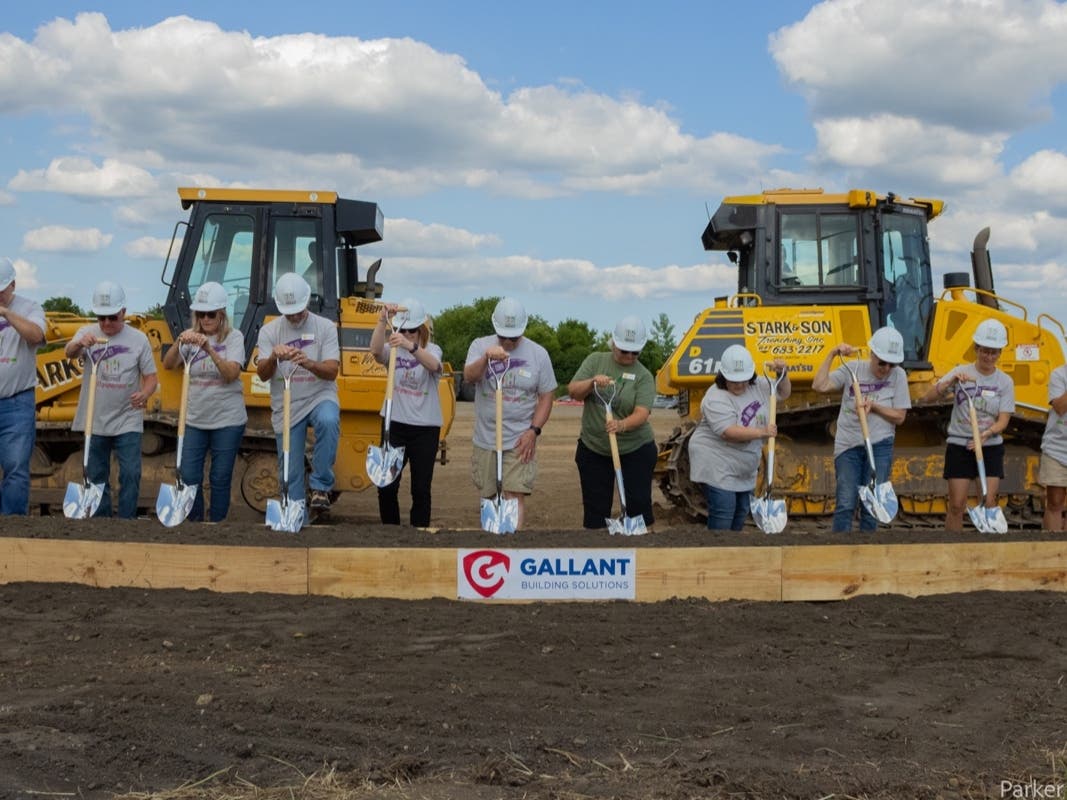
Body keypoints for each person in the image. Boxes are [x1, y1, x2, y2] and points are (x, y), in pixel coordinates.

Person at [65, 281, 158, 518]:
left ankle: (126, 521)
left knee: (130, 474)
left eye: (113, 317)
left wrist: (145, 393)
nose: (106, 323)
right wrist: (79, 343)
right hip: (94, 419)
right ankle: (102, 522)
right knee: (96, 475)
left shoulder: (138, 340)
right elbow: (69, 352)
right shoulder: (87, 333)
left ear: (123, 313)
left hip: (127, 418)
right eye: (101, 318)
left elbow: (151, 378)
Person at [463, 297, 556, 529]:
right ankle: (491, 544)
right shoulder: (479, 345)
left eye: (513, 337)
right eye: (503, 336)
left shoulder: (538, 354)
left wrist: (534, 431)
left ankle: (512, 544)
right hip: (486, 438)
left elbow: (546, 396)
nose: (508, 341)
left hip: (519, 439)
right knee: (488, 494)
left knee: (514, 494)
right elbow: (469, 377)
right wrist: (486, 358)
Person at [256, 272, 340, 522]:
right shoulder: (270, 331)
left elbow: (332, 371)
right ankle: (295, 518)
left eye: (299, 310)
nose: (294, 316)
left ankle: (320, 487)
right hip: (287, 403)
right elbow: (262, 374)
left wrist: (309, 363)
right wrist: (272, 357)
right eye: (289, 312)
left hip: (318, 395)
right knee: (289, 469)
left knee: (328, 419)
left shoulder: (324, 327)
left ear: (307, 302)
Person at [160, 282, 247, 522]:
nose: (206, 319)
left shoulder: (234, 337)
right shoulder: (190, 340)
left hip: (227, 420)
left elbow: (231, 374)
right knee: (188, 475)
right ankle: (195, 522)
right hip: (195, 419)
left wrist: (209, 349)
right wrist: (180, 341)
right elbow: (168, 364)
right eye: (201, 314)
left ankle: (216, 525)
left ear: (221, 314)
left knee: (219, 477)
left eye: (211, 314)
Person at [812, 326, 910, 532]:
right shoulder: (853, 368)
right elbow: (820, 386)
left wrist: (873, 407)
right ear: (872, 354)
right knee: (846, 503)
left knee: (872, 505)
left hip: (880, 445)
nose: (886, 369)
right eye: (881, 362)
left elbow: (900, 416)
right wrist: (832, 354)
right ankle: (840, 550)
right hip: (848, 445)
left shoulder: (898, 376)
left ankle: (868, 551)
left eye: (891, 364)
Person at [919, 319, 1015, 531]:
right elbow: (927, 397)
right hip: (959, 445)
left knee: (988, 502)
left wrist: (986, 434)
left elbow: (1004, 419)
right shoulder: (960, 372)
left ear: (999, 353)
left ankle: (988, 548)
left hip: (990, 446)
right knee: (956, 505)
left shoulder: (1005, 382)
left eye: (994, 352)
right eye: (984, 351)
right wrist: (950, 383)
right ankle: (952, 548)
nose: (988, 357)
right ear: (976, 349)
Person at [566, 315, 657, 529]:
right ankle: (598, 551)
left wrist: (621, 425)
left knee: (638, 506)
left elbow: (642, 412)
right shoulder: (595, 360)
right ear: (613, 342)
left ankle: (637, 550)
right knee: (596, 512)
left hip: (636, 449)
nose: (629, 356)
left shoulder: (644, 375)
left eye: (635, 352)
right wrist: (592, 382)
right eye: (624, 350)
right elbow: (573, 392)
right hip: (594, 449)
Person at [687, 345, 790, 531]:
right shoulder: (715, 398)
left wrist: (783, 373)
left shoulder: (757, 385)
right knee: (724, 509)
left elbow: (783, 392)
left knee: (741, 510)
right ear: (723, 376)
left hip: (743, 464)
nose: (739, 384)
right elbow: (728, 433)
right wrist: (762, 432)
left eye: (743, 379)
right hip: (716, 460)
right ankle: (717, 552)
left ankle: (733, 552)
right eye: (733, 380)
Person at [369, 298, 443, 527]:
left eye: (412, 330)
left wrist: (411, 347)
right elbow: (374, 350)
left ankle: (419, 532)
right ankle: (391, 531)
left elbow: (434, 366)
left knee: (420, 488)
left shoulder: (432, 349)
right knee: (387, 485)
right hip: (395, 424)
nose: (407, 333)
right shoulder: (392, 348)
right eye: (404, 329)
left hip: (425, 428)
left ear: (421, 329)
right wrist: (383, 321)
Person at [0, 257, 46, 515]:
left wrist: (7, 314)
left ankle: (12, 528)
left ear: (13, 285)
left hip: (17, 403)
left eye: (1, 291)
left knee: (16, 466)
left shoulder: (30, 308)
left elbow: (36, 336)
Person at [1039, 360, 1067, 531]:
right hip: (1057, 449)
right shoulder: (1058, 374)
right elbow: (1060, 407)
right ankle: (1052, 551)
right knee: (1055, 503)